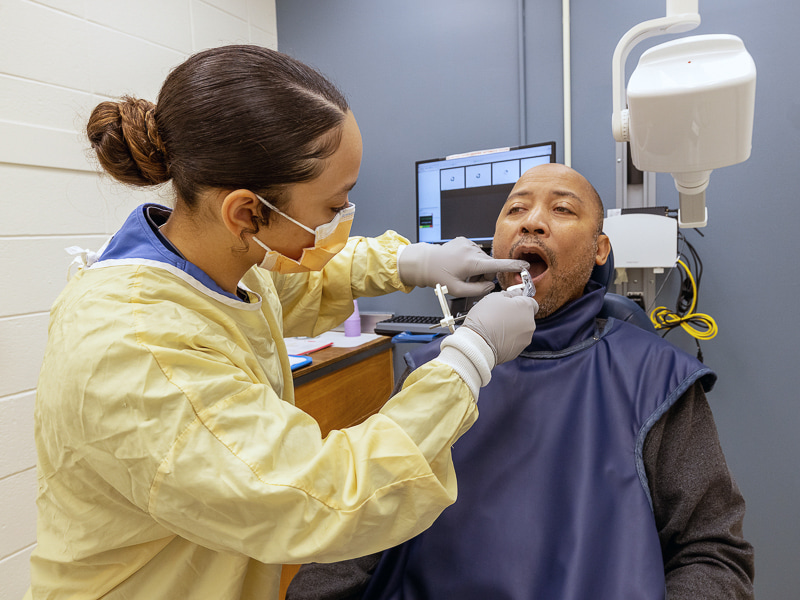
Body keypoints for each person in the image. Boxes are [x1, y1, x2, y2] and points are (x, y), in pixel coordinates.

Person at [26, 45, 540, 600]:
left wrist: (412, 261)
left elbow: (303, 277)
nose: (343, 221)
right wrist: (471, 355)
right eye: (333, 207)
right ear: (246, 212)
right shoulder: (134, 345)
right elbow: (322, 496)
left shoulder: (223, 260)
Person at [286, 163, 755, 600]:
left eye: (562, 209)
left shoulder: (656, 380)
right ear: (494, 240)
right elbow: (358, 523)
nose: (531, 222)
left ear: (599, 249)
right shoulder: (436, 371)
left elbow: (712, 554)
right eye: (515, 209)